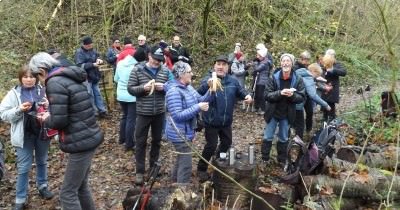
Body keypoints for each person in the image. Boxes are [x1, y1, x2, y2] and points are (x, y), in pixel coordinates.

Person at [29, 52, 104, 210]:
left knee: (67, 193)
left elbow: (59, 121)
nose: (39, 81)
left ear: (42, 70)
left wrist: (45, 118)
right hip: (88, 134)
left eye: (37, 77)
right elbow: (74, 105)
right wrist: (53, 109)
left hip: (81, 141)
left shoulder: (54, 82)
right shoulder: (68, 75)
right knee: (81, 187)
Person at [0, 66, 54, 210]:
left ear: (36, 78)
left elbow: (56, 108)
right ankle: (20, 198)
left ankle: (42, 186)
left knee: (42, 161)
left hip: (41, 131)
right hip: (23, 135)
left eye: (31, 77)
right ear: (20, 78)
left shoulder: (42, 90)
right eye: (25, 77)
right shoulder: (14, 94)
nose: (29, 79)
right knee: (24, 167)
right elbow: (3, 114)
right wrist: (19, 109)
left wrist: (49, 106)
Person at [196, 55, 252, 182]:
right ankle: (201, 168)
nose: (221, 67)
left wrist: (248, 96)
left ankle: (218, 160)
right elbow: (198, 93)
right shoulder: (208, 79)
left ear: (228, 67)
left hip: (226, 121)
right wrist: (209, 85)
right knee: (211, 145)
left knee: (226, 143)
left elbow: (241, 91)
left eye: (223, 64)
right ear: (214, 66)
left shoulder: (232, 81)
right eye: (218, 64)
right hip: (211, 121)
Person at [127, 46, 171, 185]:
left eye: (159, 60)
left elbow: (172, 86)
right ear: (149, 56)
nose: (157, 62)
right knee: (140, 142)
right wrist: (143, 88)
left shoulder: (165, 70)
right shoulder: (137, 70)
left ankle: (153, 168)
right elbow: (130, 88)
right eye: (155, 59)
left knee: (157, 141)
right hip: (143, 112)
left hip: (159, 112)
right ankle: (140, 171)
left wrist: (164, 87)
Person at [164, 61, 212, 184]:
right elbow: (178, 116)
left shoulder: (188, 87)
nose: (192, 74)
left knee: (181, 157)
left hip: (187, 131)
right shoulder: (174, 91)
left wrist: (212, 90)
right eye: (189, 72)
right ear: (181, 75)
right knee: (186, 164)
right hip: (179, 133)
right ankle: (181, 191)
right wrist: (198, 107)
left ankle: (174, 182)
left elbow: (201, 99)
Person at [262, 53, 305, 165]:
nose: (285, 63)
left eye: (288, 61)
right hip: (273, 112)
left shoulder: (297, 79)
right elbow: (266, 95)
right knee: (268, 136)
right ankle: (264, 158)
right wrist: (280, 93)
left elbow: (301, 97)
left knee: (284, 137)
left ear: (292, 63)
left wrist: (292, 96)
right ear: (280, 63)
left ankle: (281, 160)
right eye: (283, 61)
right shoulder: (273, 77)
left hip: (287, 113)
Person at [114, 49, 146, 151]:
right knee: (131, 119)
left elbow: (116, 79)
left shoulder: (120, 63)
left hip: (120, 95)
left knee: (125, 116)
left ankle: (122, 138)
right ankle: (129, 143)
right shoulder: (137, 68)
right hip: (131, 96)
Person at [294, 64, 331, 140]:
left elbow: (311, 82)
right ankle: (298, 142)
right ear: (313, 71)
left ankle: (305, 131)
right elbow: (313, 95)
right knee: (300, 124)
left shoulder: (302, 72)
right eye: (317, 75)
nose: (317, 77)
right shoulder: (308, 78)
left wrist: (317, 80)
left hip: (299, 98)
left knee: (308, 113)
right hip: (298, 102)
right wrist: (326, 105)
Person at [74, 36, 108, 118]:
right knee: (90, 95)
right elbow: (79, 65)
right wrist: (92, 64)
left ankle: (102, 110)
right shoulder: (79, 53)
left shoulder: (93, 50)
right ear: (84, 45)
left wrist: (99, 60)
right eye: (88, 45)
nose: (90, 47)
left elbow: (97, 56)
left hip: (95, 76)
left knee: (98, 94)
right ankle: (94, 112)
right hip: (86, 77)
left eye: (91, 45)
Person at [321, 50, 347, 122]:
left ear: (333, 56)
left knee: (331, 103)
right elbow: (318, 70)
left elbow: (344, 72)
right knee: (324, 102)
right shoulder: (323, 62)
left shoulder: (337, 64)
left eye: (331, 55)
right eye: (328, 55)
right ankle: (324, 118)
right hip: (324, 85)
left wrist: (333, 70)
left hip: (333, 87)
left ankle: (332, 119)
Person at [252, 47, 272, 115]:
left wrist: (255, 63)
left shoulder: (265, 62)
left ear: (262, 56)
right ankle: (256, 107)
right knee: (257, 94)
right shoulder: (262, 61)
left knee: (261, 95)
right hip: (259, 80)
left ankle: (263, 109)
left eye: (258, 55)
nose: (257, 57)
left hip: (262, 81)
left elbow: (257, 69)